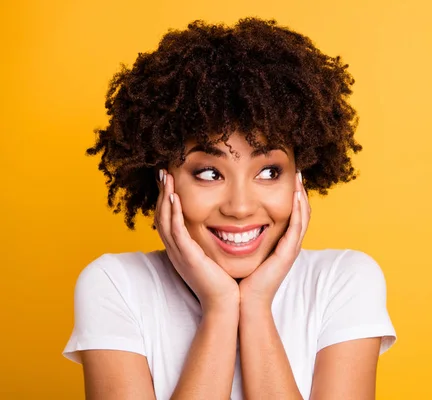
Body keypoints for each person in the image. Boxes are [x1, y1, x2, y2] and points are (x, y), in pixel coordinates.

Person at [63, 17, 396, 399]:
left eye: (269, 171)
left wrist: (255, 305)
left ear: (299, 177)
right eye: (208, 173)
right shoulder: (115, 285)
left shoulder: (344, 281)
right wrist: (219, 309)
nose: (240, 207)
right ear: (162, 177)